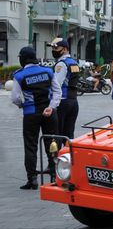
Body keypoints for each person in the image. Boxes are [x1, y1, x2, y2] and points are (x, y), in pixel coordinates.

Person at [11, 46, 61, 190]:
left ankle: (32, 179)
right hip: (49, 112)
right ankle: (54, 175)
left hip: (31, 113)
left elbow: (14, 97)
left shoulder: (20, 75)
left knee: (30, 145)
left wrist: (22, 104)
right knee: (52, 143)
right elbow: (57, 91)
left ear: (23, 59)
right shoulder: (47, 71)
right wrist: (51, 106)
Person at [48, 38, 80, 141]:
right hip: (73, 101)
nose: (53, 50)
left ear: (65, 49)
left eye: (56, 47)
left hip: (62, 101)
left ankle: (57, 156)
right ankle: (68, 155)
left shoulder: (62, 64)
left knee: (57, 134)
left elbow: (56, 85)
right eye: (52, 47)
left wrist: (51, 102)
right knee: (69, 134)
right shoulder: (74, 62)